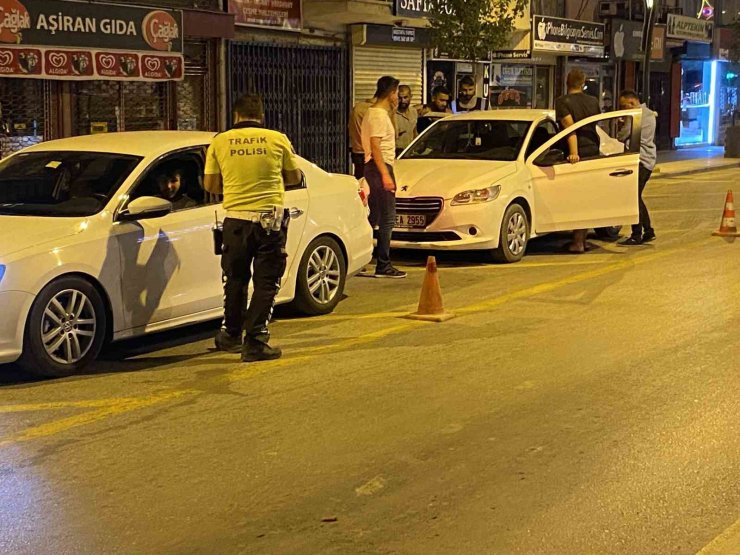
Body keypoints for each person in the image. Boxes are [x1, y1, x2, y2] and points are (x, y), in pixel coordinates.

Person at [204, 94, 303, 362]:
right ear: (261, 116)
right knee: (266, 282)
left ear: (235, 116)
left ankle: (231, 335)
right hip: (268, 223)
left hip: (235, 221)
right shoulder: (277, 139)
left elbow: (211, 186)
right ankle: (256, 340)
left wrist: (236, 186)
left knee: (235, 280)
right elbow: (294, 177)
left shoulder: (220, 141)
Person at [362, 76, 406, 279]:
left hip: (374, 167)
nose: (398, 97)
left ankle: (361, 256)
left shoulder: (372, 113)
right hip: (380, 167)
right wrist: (385, 175)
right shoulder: (378, 115)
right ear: (391, 93)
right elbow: (376, 147)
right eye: (397, 93)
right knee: (388, 218)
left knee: (374, 216)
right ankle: (383, 263)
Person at [555, 69, 601, 254]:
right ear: (583, 83)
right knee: (586, 198)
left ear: (567, 82)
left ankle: (578, 242)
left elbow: (570, 128)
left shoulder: (562, 102)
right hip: (593, 150)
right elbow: (596, 124)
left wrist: (573, 153)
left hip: (577, 155)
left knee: (577, 199)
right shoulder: (593, 101)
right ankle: (583, 239)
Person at [618, 89, 657, 245]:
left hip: (640, 160)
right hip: (648, 160)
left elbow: (622, 136)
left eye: (624, 105)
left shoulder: (636, 115)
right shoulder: (648, 113)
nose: (623, 109)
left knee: (632, 197)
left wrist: (622, 124)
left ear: (632, 102)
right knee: (636, 196)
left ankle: (637, 234)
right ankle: (648, 231)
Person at [349, 97, 374, 180]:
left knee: (360, 179)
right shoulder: (373, 111)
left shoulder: (357, 108)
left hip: (357, 150)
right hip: (369, 153)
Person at [395, 85, 418, 157]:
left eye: (405, 97)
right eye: (400, 98)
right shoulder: (392, 114)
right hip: (396, 153)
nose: (403, 101)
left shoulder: (413, 112)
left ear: (411, 96)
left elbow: (414, 131)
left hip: (410, 153)